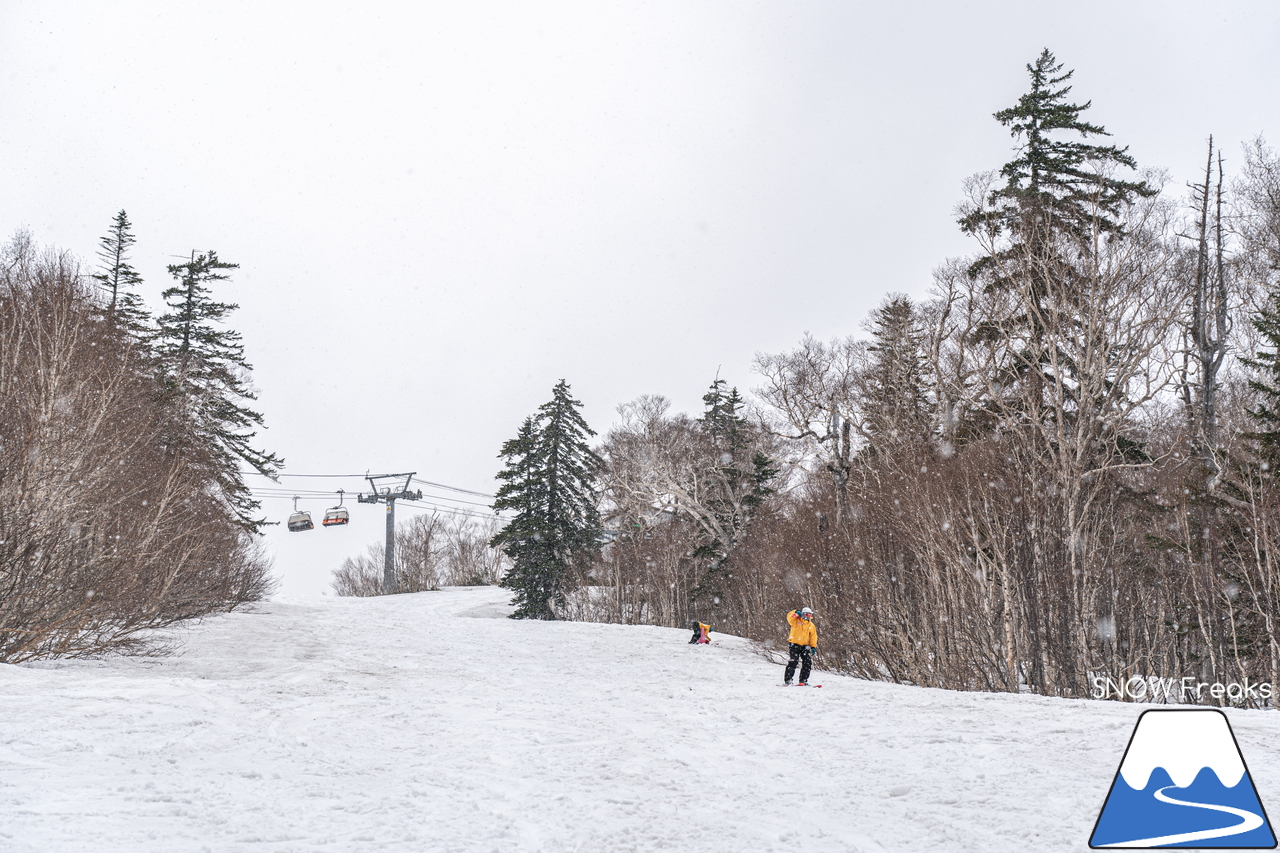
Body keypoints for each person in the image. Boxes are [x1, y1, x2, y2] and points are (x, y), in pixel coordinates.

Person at [784, 606, 817, 685]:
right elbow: (789, 616)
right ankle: (788, 679)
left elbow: (813, 636)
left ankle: (803, 680)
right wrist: (795, 611)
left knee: (807, 662)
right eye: (806, 614)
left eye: (809, 614)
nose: (807, 616)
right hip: (794, 645)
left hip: (805, 646)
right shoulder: (795, 621)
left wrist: (813, 647)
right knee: (793, 661)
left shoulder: (811, 625)